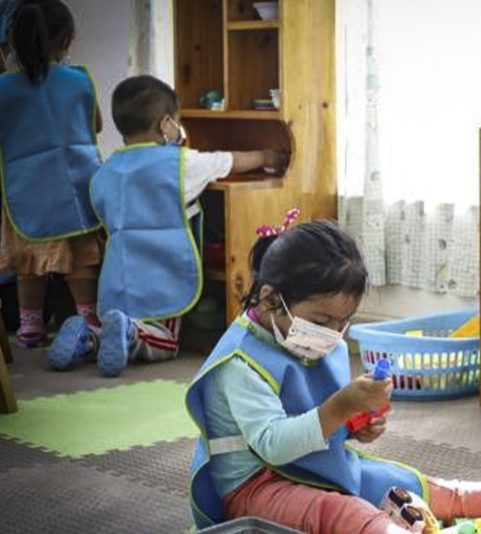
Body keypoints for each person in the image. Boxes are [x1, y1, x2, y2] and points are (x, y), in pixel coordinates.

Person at [185, 220, 481, 534]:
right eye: (322, 320)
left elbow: (317, 419)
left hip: (316, 465)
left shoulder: (304, 336)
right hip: (257, 487)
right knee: (348, 514)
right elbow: (273, 446)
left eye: (342, 322)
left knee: (416, 486)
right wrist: (339, 408)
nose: (332, 333)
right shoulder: (240, 364)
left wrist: (354, 426)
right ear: (273, 298)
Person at [47, 74, 288, 376]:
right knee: (165, 341)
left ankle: (91, 335)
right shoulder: (180, 163)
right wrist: (267, 156)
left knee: (117, 322)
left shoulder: (105, 171)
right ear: (165, 124)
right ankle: (130, 333)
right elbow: (226, 160)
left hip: (118, 276)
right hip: (164, 273)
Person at [0, 0, 105, 349]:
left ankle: (30, 326)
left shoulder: (4, 88)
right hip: (76, 191)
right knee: (82, 261)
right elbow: (97, 125)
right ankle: (88, 319)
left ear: (13, 42)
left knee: (28, 265)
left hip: (26, 194)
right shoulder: (79, 81)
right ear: (67, 41)